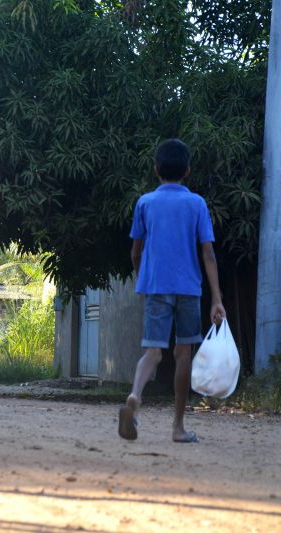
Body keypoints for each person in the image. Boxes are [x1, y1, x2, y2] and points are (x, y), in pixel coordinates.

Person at [119, 138, 226, 443]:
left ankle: (135, 396)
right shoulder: (196, 204)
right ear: (187, 171)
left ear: (156, 170)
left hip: (156, 286)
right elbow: (208, 253)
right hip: (188, 289)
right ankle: (177, 428)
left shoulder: (145, 203)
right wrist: (216, 297)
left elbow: (135, 252)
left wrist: (144, 279)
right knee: (183, 354)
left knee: (153, 352)